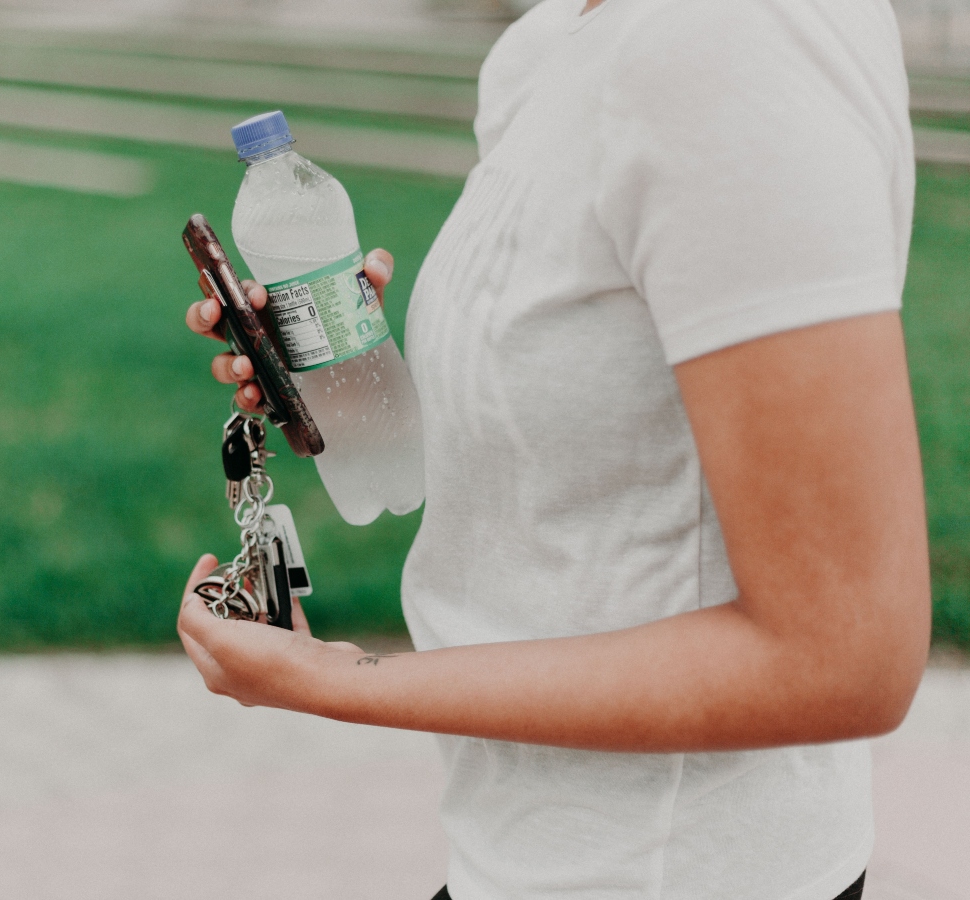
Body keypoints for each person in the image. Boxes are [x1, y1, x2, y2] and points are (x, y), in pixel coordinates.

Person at [178, 0, 931, 897]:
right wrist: (343, 375)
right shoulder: (549, 47)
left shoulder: (734, 35)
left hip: (671, 872)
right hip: (520, 858)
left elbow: (844, 658)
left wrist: (340, 680)